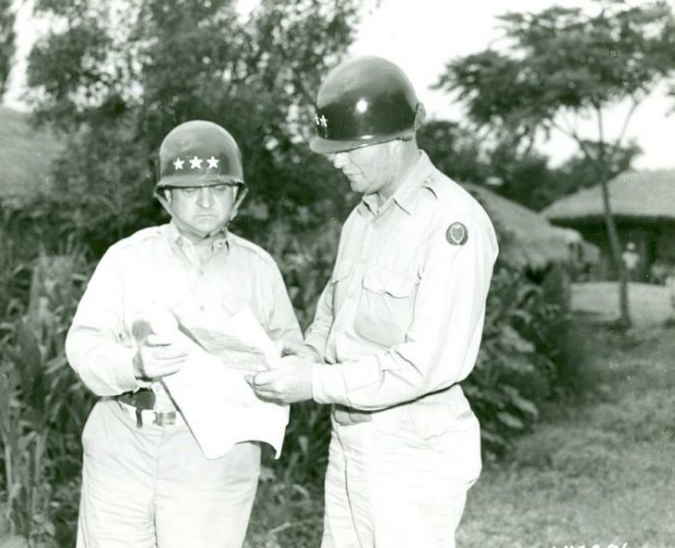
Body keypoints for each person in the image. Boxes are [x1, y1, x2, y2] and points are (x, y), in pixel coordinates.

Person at [249, 56, 499, 548]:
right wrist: (310, 352)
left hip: (413, 452)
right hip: (351, 441)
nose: (336, 161)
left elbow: (425, 363)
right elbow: (333, 309)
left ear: (395, 139)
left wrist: (315, 382)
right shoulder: (362, 218)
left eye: (347, 150)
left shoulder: (452, 225)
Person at [66, 120, 302, 548]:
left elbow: (296, 353)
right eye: (191, 190)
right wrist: (135, 364)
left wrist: (283, 366)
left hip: (214, 458)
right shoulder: (126, 259)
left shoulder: (259, 268)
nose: (207, 202)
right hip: (124, 447)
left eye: (219, 188)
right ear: (166, 197)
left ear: (238, 197)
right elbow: (83, 346)